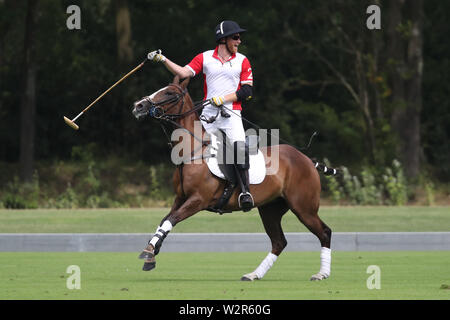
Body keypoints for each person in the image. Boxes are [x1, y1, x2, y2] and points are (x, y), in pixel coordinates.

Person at [147, 20, 254, 211]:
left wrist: (223, 98)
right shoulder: (205, 58)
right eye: (236, 37)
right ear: (224, 40)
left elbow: (247, 91)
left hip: (232, 114)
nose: (239, 41)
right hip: (208, 114)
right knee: (189, 147)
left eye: (239, 37)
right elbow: (182, 72)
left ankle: (245, 192)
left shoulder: (242, 60)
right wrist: (163, 59)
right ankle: (191, 187)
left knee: (239, 148)